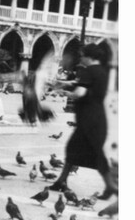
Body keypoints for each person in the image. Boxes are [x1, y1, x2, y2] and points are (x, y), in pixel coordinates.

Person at [50, 43, 117, 198]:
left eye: (82, 56)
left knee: (79, 151)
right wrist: (64, 83)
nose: (81, 59)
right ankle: (62, 180)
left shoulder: (89, 71)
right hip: (98, 119)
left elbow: (80, 92)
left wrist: (63, 92)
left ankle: (111, 186)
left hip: (88, 120)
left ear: (88, 56)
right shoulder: (103, 72)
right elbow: (81, 84)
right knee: (84, 152)